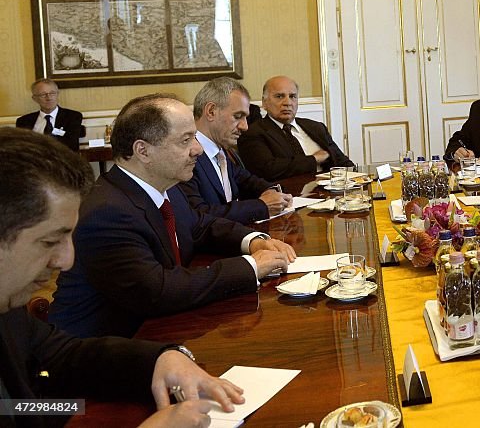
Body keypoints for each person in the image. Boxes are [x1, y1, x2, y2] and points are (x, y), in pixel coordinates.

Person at [0, 128, 245, 428]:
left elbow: (55, 365)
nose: (67, 261)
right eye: (50, 241)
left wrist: (159, 360)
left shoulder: (8, 303)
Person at [50, 94, 296, 339]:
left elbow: (201, 226)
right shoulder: (107, 212)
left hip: (158, 332)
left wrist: (254, 241)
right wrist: (252, 266)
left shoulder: (166, 188)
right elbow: (158, 290)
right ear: (143, 151)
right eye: (186, 140)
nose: (198, 149)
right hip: (99, 353)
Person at [181, 77, 292, 225]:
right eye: (238, 116)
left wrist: (272, 191)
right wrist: (261, 206)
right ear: (211, 111)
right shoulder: (185, 156)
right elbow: (199, 215)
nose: (245, 127)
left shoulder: (222, 151)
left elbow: (248, 181)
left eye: (246, 118)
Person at [238, 76, 352, 180]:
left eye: (292, 96)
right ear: (265, 102)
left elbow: (344, 163)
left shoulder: (316, 127)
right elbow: (269, 170)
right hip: (289, 196)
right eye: (279, 96)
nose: (287, 102)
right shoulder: (253, 133)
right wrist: (314, 159)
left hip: (332, 191)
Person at [15, 78, 84, 152]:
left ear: (57, 94)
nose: (49, 98)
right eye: (43, 94)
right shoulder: (23, 121)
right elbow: (22, 147)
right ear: (35, 98)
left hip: (62, 160)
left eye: (52, 93)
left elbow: (71, 145)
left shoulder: (72, 116)